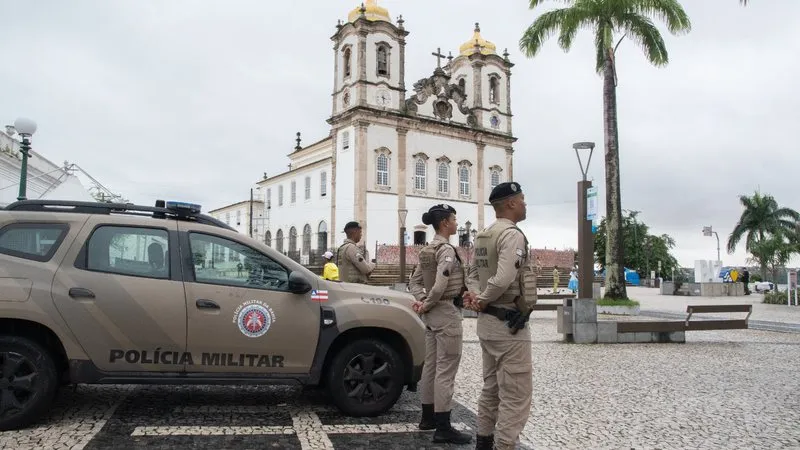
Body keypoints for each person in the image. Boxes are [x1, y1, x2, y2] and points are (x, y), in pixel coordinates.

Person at [463, 181, 534, 450]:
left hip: (488, 323)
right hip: (508, 324)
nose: (526, 204)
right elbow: (504, 277)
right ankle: (504, 445)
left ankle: (483, 441)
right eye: (523, 199)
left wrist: (476, 296)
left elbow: (471, 274)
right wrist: (481, 298)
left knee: (491, 387)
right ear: (511, 203)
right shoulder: (512, 235)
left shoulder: (483, 234)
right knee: (516, 394)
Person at [408, 204, 471, 445]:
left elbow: (413, 282)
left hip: (432, 316)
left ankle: (427, 418)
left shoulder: (426, 250)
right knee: (446, 370)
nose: (456, 223)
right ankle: (443, 427)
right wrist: (428, 303)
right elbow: (442, 283)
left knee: (431, 368)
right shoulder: (445, 250)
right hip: (445, 311)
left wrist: (422, 301)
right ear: (445, 223)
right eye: (454, 219)